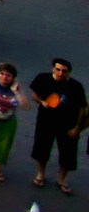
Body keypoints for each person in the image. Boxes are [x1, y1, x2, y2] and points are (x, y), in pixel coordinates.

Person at [30, 59, 85, 194]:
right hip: (46, 121)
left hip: (68, 124)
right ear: (53, 69)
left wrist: (77, 128)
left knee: (68, 153)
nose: (61, 73)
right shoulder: (43, 79)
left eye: (64, 71)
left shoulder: (76, 86)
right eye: (58, 69)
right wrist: (42, 102)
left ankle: (62, 179)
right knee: (42, 148)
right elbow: (35, 95)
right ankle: (41, 174)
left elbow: (82, 108)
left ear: (69, 72)